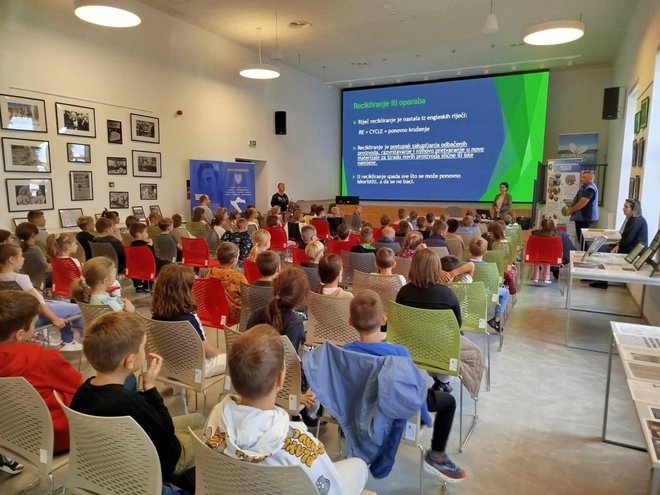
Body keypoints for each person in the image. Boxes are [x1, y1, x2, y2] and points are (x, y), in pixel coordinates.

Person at [203, 325, 369, 495]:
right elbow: (331, 487)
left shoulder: (216, 416)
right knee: (359, 466)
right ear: (280, 379)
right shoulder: (299, 441)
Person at [343, 290, 466, 482]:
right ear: (384, 319)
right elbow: (415, 388)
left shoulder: (345, 351)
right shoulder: (399, 352)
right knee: (449, 401)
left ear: (349, 321)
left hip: (360, 407)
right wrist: (424, 417)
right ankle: (436, 455)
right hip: (390, 406)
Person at [70, 312, 205, 485]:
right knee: (214, 436)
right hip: (161, 462)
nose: (146, 351)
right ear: (130, 362)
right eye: (143, 347)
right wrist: (150, 387)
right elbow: (167, 431)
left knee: (198, 419)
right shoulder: (131, 403)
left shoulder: (82, 392)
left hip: (115, 457)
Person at [0, 290, 83, 457]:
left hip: (10, 434)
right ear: (20, 335)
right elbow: (79, 387)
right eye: (33, 324)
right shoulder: (40, 357)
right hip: (51, 436)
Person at [0, 244, 82, 351]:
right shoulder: (20, 278)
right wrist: (55, 318)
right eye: (21, 256)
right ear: (11, 259)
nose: (23, 259)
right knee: (77, 309)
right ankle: (80, 339)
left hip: (20, 314)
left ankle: (68, 340)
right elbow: (37, 302)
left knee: (65, 307)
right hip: (37, 314)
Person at [151, 264, 225, 377]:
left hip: (169, 365)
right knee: (233, 360)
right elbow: (208, 352)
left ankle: (179, 394)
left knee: (178, 355)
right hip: (196, 370)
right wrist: (219, 353)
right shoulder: (189, 319)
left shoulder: (155, 317)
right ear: (186, 291)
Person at [247, 266, 309, 352]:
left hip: (251, 363)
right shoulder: (295, 324)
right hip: (277, 364)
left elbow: (246, 347)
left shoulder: (256, 315)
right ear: (300, 298)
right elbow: (289, 361)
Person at [207, 242, 248, 324]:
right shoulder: (238, 277)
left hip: (214, 313)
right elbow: (248, 296)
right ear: (233, 260)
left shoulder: (210, 273)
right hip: (235, 316)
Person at [568, 170, 599, 247]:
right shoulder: (585, 187)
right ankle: (583, 254)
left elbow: (582, 202)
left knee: (583, 239)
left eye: (584, 177)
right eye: (582, 177)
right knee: (581, 239)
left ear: (590, 179)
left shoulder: (590, 188)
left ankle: (584, 256)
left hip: (584, 218)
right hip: (581, 217)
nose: (582, 179)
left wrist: (571, 210)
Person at [529, 218, 556, 284]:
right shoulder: (553, 237)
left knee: (536, 264)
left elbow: (532, 246)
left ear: (541, 226)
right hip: (548, 256)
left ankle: (535, 277)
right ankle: (546, 278)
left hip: (537, 255)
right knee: (547, 264)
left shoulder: (536, 234)